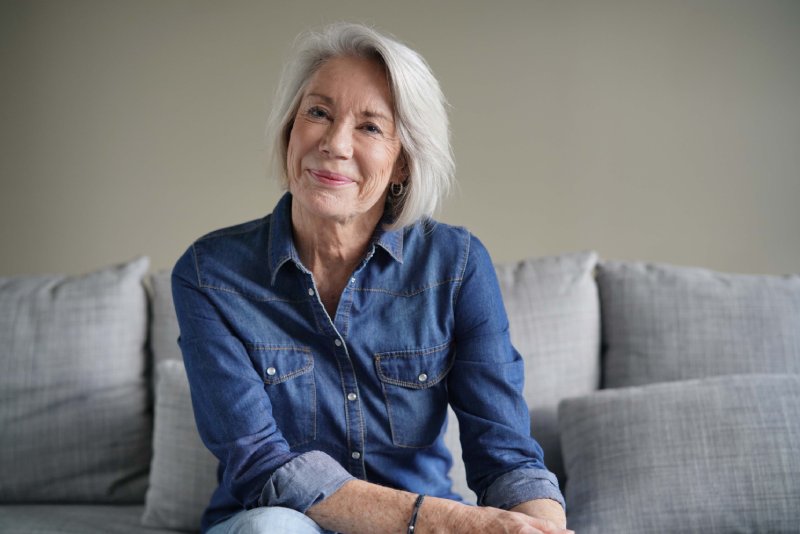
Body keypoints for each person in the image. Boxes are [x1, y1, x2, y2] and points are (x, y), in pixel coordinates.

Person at [172, 22, 570, 534]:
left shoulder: (457, 265)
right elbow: (261, 465)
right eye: (319, 112)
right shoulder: (210, 275)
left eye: (370, 127)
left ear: (402, 163)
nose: (335, 144)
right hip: (287, 521)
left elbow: (507, 456)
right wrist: (450, 522)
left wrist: (541, 528)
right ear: (290, 128)